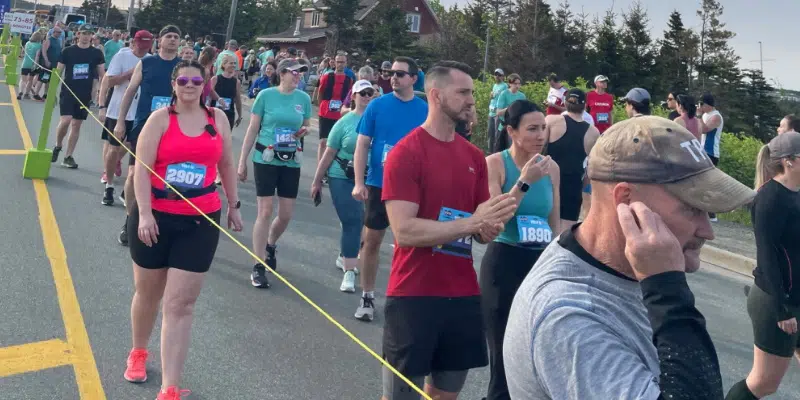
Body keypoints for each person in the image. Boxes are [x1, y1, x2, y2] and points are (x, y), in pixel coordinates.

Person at [503, 116, 756, 400]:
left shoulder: (622, 265)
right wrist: (668, 291)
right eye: (692, 208)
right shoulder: (568, 317)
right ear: (625, 200)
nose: (708, 232)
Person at [381, 60, 517, 400]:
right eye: (463, 92)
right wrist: (472, 222)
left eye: (472, 92)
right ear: (436, 95)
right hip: (414, 294)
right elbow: (405, 231)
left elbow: (482, 229)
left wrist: (491, 224)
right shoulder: (406, 153)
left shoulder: (473, 156)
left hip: (463, 295)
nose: (472, 100)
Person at [123, 59, 244, 400]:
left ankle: (170, 387)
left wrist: (233, 206)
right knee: (148, 294)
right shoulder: (159, 120)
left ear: (205, 84)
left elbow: (227, 164)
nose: (190, 85)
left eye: (196, 80)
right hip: (156, 219)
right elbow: (142, 170)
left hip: (200, 220)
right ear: (174, 85)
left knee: (181, 305)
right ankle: (138, 351)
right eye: (183, 80)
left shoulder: (217, 119)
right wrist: (144, 214)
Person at [481, 99, 560, 400]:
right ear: (512, 132)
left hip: (539, 266)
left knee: (534, 360)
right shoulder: (495, 164)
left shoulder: (551, 167)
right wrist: (524, 181)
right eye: (532, 129)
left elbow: (555, 225)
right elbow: (495, 220)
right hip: (504, 262)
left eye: (543, 128)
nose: (541, 135)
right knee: (502, 362)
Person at [351, 56, 428, 322]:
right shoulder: (377, 106)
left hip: (410, 190)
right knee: (372, 241)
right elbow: (362, 145)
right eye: (391, 73)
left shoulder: (425, 110)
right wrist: (359, 182)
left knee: (407, 245)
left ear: (414, 79)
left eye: (400, 74)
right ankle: (367, 296)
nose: (393, 77)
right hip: (378, 184)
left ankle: (401, 297)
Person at [725, 132, 800, 400]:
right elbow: (768, 257)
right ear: (789, 161)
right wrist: (782, 310)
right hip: (776, 301)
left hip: (796, 299)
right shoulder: (770, 199)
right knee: (764, 383)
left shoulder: (796, 193)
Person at [238, 58, 311, 288]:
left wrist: (303, 131)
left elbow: (305, 126)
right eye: (294, 72)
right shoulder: (266, 96)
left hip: (291, 160)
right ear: (282, 74)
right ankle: (258, 265)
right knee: (265, 210)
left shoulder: (304, 99)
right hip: (265, 157)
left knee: (286, 214)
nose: (298, 76)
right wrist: (242, 161)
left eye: (301, 73)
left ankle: (270, 243)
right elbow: (252, 129)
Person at [114, 25, 183, 246]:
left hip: (173, 128)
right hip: (143, 127)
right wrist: (120, 122)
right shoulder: (146, 63)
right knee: (134, 174)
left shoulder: (183, 66)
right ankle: (129, 220)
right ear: (159, 40)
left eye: (176, 37)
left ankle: (163, 221)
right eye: (168, 36)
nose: (172, 40)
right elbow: (130, 91)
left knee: (168, 179)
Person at [310, 80, 375, 293]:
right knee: (352, 221)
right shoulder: (345, 122)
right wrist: (317, 180)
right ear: (353, 96)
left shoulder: (378, 122)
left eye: (369, 93)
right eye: (362, 93)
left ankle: (344, 256)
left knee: (367, 225)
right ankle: (349, 272)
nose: (366, 96)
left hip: (369, 179)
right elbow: (329, 152)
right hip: (342, 176)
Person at [98, 29, 153, 206]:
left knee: (131, 147)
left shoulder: (151, 60)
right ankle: (109, 185)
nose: (144, 49)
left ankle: (125, 186)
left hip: (139, 112)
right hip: (118, 111)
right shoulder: (122, 56)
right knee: (113, 149)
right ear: (134, 43)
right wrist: (129, 74)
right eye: (141, 45)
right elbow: (110, 81)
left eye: (147, 46)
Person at [544, 88, 600, 233]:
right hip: (573, 188)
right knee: (564, 236)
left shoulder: (551, 121)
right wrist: (584, 190)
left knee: (542, 231)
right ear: (585, 106)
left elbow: (537, 151)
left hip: (547, 183)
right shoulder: (593, 132)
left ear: (564, 102)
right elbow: (590, 169)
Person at [51, 24, 105, 169]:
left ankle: (68, 156)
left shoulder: (96, 53)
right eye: (83, 33)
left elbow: (102, 75)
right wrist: (50, 93)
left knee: (76, 124)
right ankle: (58, 145)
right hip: (68, 91)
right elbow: (58, 71)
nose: (86, 36)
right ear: (78, 35)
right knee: (66, 120)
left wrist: (101, 93)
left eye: (89, 33)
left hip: (85, 94)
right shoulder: (68, 51)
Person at [209, 53, 243, 130]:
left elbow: (238, 100)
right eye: (231, 63)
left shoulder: (236, 82)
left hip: (229, 115)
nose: (233, 65)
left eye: (235, 63)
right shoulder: (215, 79)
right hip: (214, 114)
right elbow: (209, 96)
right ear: (224, 64)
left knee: (225, 139)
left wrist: (240, 115)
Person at [487, 68, 508, 151]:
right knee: (490, 133)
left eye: (499, 75)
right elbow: (493, 97)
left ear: (503, 77)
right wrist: (491, 95)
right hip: (491, 112)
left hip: (497, 113)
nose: (497, 76)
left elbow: (505, 98)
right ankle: (489, 151)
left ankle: (496, 152)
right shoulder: (494, 85)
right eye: (496, 74)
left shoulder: (505, 86)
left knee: (497, 134)